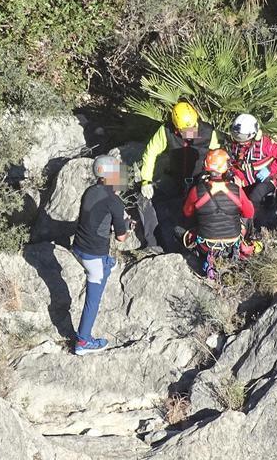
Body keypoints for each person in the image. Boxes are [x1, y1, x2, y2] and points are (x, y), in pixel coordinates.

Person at [137, 102, 220, 250]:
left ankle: (203, 242)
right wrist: (146, 180)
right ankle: (154, 243)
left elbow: (217, 156)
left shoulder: (208, 132)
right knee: (144, 200)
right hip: (175, 179)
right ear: (177, 127)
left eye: (193, 127)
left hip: (200, 180)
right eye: (186, 130)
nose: (191, 131)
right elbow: (150, 153)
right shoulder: (166, 131)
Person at [72, 155, 130, 355]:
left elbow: (95, 219)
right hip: (93, 258)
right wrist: (127, 225)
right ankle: (83, 341)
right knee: (93, 300)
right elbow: (121, 238)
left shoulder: (89, 191)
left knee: (105, 264)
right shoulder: (115, 203)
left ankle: (107, 263)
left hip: (77, 249)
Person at [180, 149, 255, 279]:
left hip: (206, 245)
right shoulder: (236, 190)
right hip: (232, 244)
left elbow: (187, 213)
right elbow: (249, 213)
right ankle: (248, 241)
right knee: (247, 219)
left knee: (178, 229)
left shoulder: (196, 191)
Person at [228, 114, 277, 228]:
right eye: (236, 135)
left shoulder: (266, 145)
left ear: (252, 134)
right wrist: (235, 176)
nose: (238, 139)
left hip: (268, 177)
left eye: (242, 137)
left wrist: (269, 169)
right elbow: (236, 164)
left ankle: (252, 227)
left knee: (254, 197)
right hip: (246, 179)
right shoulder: (236, 144)